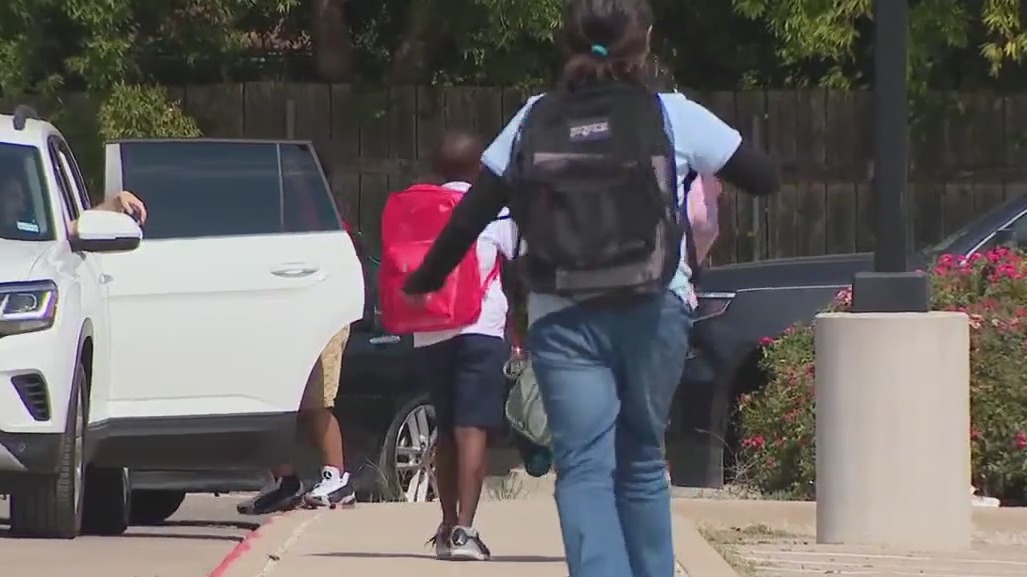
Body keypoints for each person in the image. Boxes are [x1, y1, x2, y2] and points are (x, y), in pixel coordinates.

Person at [400, 1, 779, 576]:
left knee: (582, 467)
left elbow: (471, 213)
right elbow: (764, 177)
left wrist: (423, 280)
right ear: (645, 41)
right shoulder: (672, 114)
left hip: (562, 313)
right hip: (654, 307)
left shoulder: (533, 117)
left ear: (570, 42)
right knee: (643, 460)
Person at [412, 130, 518, 561]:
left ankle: (444, 522)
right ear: (480, 168)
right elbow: (518, 264)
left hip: (431, 330)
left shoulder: (417, 209)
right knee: (472, 429)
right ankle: (465, 531)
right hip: (481, 327)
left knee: (446, 429)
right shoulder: (494, 210)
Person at [237, 326, 355, 513]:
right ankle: (285, 483)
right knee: (274, 403)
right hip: (290, 325)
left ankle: (337, 479)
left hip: (324, 325)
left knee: (317, 402)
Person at [1, 176, 147, 237]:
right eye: (13, 197)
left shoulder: (35, 234)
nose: (21, 207)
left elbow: (72, 228)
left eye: (23, 200)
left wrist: (114, 204)